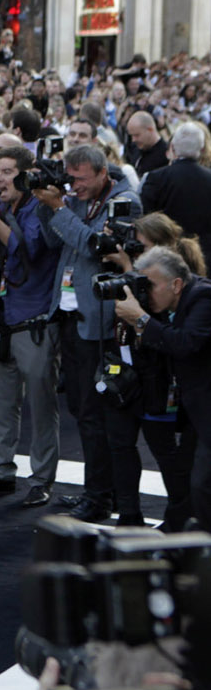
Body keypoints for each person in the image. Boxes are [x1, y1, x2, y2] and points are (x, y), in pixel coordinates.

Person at [34, 143, 142, 522]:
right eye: (71, 179)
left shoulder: (125, 201)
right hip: (70, 316)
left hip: (100, 324)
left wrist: (59, 208)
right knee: (83, 410)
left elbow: (94, 245)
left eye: (80, 180)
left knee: (97, 415)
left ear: (101, 174)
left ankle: (99, 498)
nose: (74, 186)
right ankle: (97, 492)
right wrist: (45, 201)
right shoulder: (76, 198)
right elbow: (53, 241)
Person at [0, 146, 61, 505]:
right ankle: (1, 470)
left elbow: (26, 249)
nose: (0, 179)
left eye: (7, 172)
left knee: (40, 405)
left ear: (26, 174)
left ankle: (42, 479)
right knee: (2, 405)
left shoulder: (39, 209)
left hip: (33, 318)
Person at [101, 214, 201, 529]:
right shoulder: (142, 274)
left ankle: (179, 517)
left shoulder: (180, 281)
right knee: (120, 443)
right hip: (126, 369)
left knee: (168, 453)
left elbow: (176, 334)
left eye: (139, 244)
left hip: (159, 375)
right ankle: (130, 513)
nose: (132, 248)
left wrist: (133, 277)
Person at [140, 122, 211, 268]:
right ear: (202, 149)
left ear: (172, 147)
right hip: (204, 259)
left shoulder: (156, 178)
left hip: (166, 259)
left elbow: (145, 218)